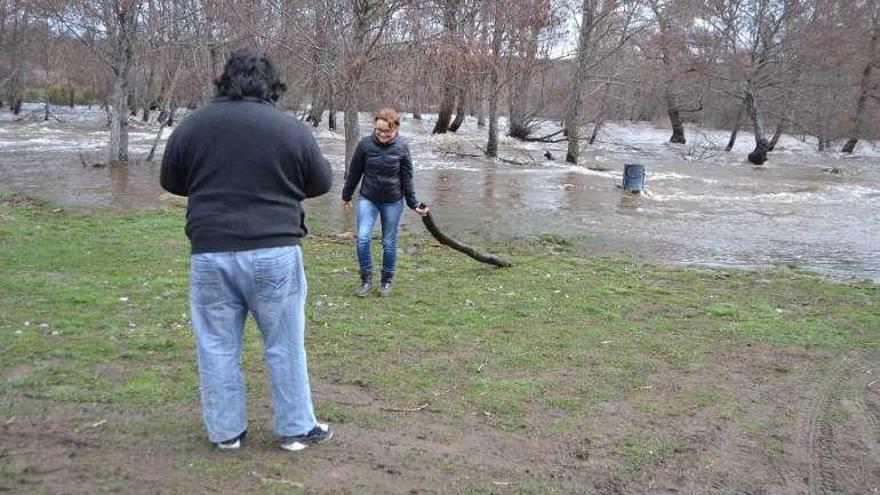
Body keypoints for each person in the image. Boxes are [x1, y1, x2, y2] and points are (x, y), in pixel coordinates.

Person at [160, 48, 333, 452]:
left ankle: (226, 434)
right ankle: (295, 429)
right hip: (275, 250)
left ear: (224, 80)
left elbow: (171, 180)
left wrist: (209, 185)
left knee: (216, 344)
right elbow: (320, 182)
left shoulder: (194, 125)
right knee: (285, 342)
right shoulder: (288, 129)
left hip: (211, 250)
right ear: (271, 86)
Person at [341, 108, 429, 297]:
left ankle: (386, 281)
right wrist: (346, 195)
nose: (381, 134)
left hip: (393, 201)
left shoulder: (402, 147)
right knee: (363, 238)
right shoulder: (365, 145)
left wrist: (413, 203)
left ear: (395, 128)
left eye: (385, 131)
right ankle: (366, 280)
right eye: (378, 130)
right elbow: (355, 172)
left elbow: (407, 177)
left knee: (389, 242)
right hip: (368, 198)